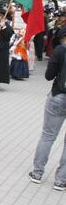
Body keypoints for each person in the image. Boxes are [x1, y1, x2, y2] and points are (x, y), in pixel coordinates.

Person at [28, 26, 66, 190]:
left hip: (59, 96)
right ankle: (61, 180)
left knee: (48, 136)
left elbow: (48, 75)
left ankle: (37, 173)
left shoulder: (59, 50)